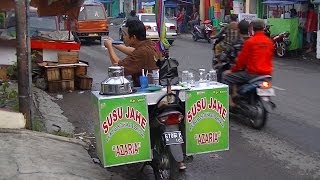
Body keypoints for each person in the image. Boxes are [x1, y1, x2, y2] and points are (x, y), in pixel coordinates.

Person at [223, 18, 274, 107]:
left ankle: (231, 101)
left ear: (252, 28)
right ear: (263, 27)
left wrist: (233, 70)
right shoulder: (269, 42)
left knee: (226, 76)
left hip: (253, 74)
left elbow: (241, 60)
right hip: (267, 74)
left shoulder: (250, 42)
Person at [104, 20, 160, 87]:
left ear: (133, 37)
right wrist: (113, 43)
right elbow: (133, 51)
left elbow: (119, 67)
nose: (123, 37)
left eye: (125, 34)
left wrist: (109, 47)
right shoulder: (150, 45)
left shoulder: (142, 52)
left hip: (146, 90)